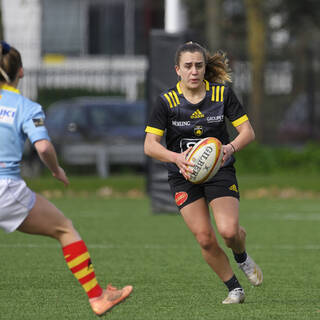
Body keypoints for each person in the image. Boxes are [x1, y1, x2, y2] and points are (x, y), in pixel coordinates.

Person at [0, 41, 133, 316]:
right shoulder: (26, 106)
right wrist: (56, 170)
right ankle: (98, 298)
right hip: (5, 188)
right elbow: (44, 147)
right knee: (64, 228)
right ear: (21, 72)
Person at [144, 41, 262, 304]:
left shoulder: (222, 95)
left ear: (204, 67)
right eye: (188, 66)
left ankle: (241, 256)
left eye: (199, 65)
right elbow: (150, 146)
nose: (194, 71)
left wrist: (229, 149)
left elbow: (248, 133)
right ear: (178, 69)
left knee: (229, 232)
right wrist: (177, 158)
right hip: (183, 175)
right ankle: (234, 288)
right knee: (205, 238)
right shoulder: (166, 102)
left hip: (219, 170)